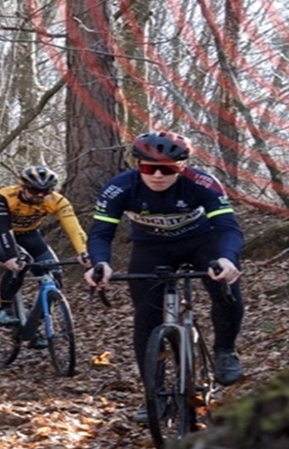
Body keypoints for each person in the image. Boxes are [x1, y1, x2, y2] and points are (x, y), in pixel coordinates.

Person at [83, 131, 245, 422]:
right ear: (137, 165)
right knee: (146, 317)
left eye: (167, 168)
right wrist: (100, 263)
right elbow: (100, 233)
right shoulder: (119, 188)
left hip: (201, 242)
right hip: (151, 248)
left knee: (226, 288)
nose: (157, 175)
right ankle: (153, 394)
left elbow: (227, 228)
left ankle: (225, 349)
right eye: (148, 168)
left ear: (182, 167)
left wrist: (227, 258)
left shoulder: (202, 183)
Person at [0, 165, 92, 348]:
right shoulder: (3, 197)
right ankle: (4, 309)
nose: (40, 195)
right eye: (34, 190)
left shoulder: (57, 200)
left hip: (30, 235)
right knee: (20, 264)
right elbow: (4, 230)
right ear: (22, 186)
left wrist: (84, 252)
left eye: (45, 191)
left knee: (54, 274)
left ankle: (32, 327)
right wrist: (11, 257)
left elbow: (74, 228)